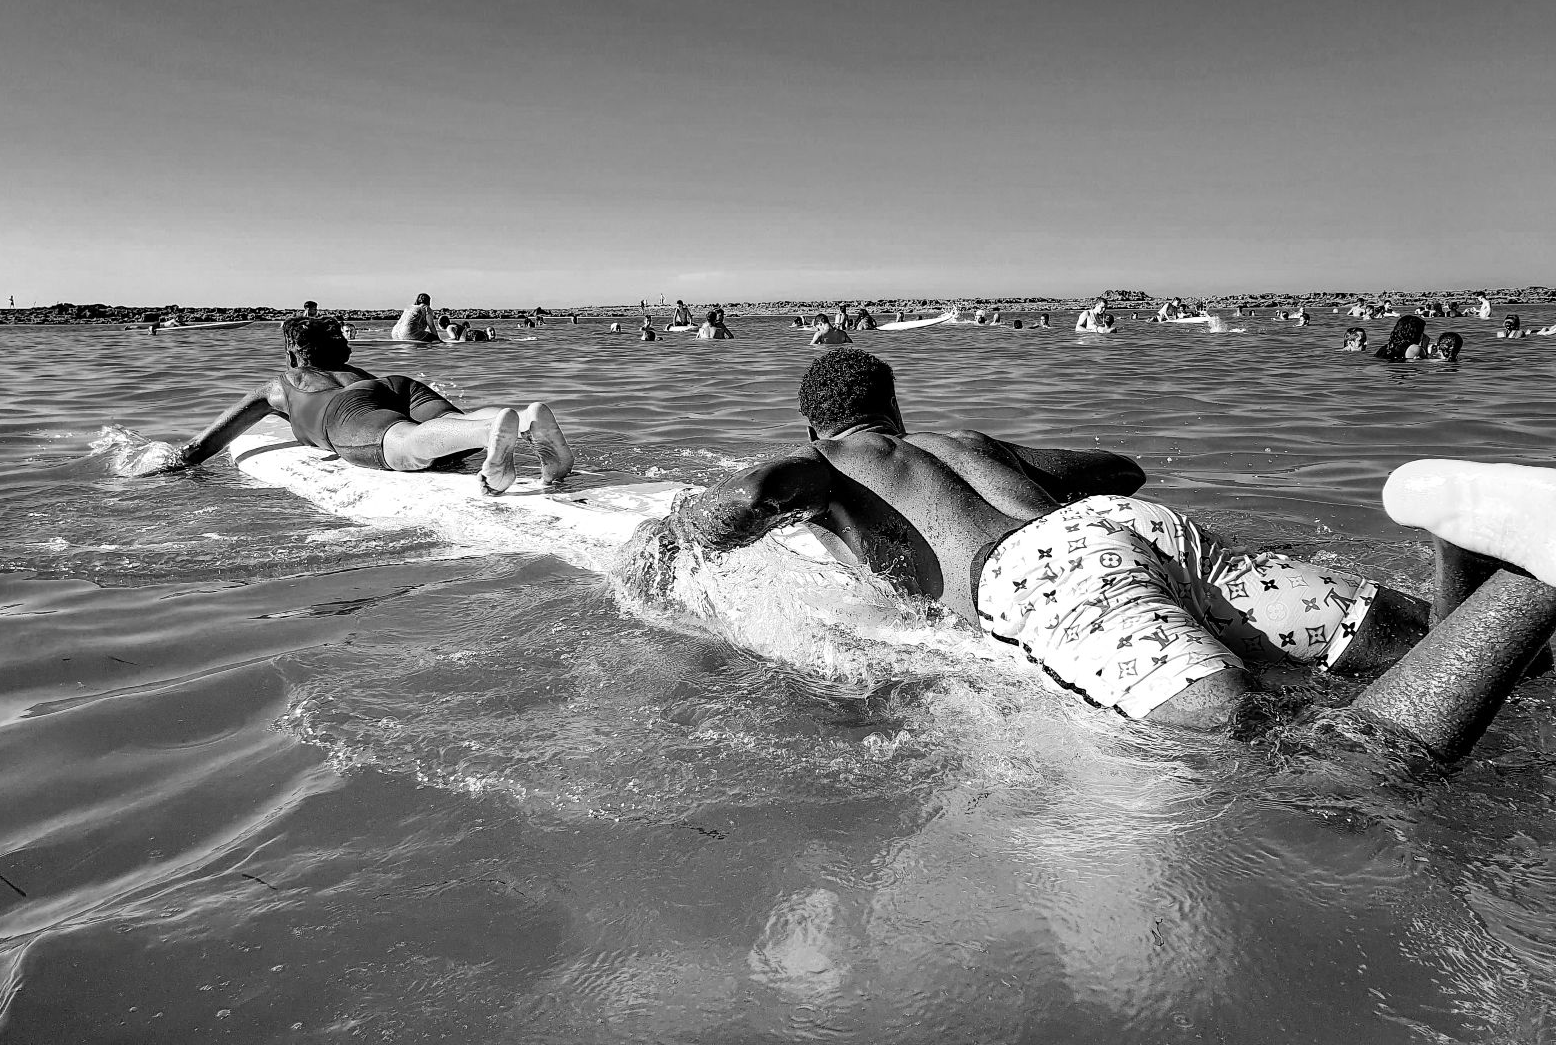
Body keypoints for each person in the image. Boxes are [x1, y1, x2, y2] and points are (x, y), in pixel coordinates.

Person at [624, 349, 1556, 762]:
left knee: (1288, 754)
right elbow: (1124, 469)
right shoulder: (970, 443)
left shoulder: (825, 464)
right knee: (1422, 645)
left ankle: (1524, 585)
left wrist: (680, 531)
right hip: (1127, 529)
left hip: (1041, 580)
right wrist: (1033, 477)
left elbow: (746, 499)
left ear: (819, 423)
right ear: (896, 406)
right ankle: (1472, 543)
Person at [140, 317, 574, 495]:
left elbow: (203, 444)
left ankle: (490, 433)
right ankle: (525, 419)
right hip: (396, 387)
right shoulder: (361, 372)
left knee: (406, 444)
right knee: (451, 424)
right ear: (342, 349)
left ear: (293, 356)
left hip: (345, 412)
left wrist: (164, 470)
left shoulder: (280, 385)